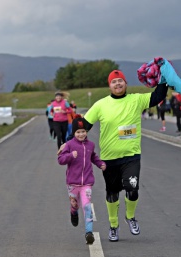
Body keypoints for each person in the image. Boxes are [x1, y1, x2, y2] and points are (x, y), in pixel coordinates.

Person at [60, 69, 169, 242]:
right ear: (109, 86)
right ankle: (113, 225)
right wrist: (67, 144)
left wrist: (165, 80)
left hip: (131, 155)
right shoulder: (100, 105)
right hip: (109, 159)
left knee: (132, 188)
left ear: (125, 83)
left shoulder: (136, 100)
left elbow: (157, 97)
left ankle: (130, 217)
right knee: (112, 193)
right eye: (114, 82)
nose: (117, 84)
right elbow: (82, 126)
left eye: (120, 81)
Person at [57, 117, 106, 245]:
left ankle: (88, 233)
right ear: (73, 133)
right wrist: (69, 156)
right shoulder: (69, 145)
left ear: (86, 132)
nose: (81, 134)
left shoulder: (90, 145)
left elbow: (93, 157)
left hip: (87, 183)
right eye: (78, 132)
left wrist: (100, 164)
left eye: (83, 131)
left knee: (87, 206)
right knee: (75, 205)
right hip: (72, 183)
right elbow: (60, 160)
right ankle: (73, 212)